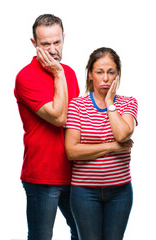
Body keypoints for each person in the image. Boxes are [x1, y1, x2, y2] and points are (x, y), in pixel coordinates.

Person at [14, 14, 79, 240]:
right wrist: (58, 73)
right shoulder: (26, 77)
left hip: (74, 174)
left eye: (57, 42)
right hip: (42, 176)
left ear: (63, 38)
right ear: (34, 44)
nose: (53, 50)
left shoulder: (70, 73)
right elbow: (59, 118)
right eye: (45, 44)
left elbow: (75, 121)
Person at [65, 47, 138, 240]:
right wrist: (112, 147)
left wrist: (109, 103)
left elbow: (122, 134)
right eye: (99, 72)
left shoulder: (128, 102)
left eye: (111, 72)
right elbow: (72, 151)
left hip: (120, 192)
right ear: (90, 74)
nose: (105, 78)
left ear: (117, 75)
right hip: (84, 192)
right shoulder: (77, 105)